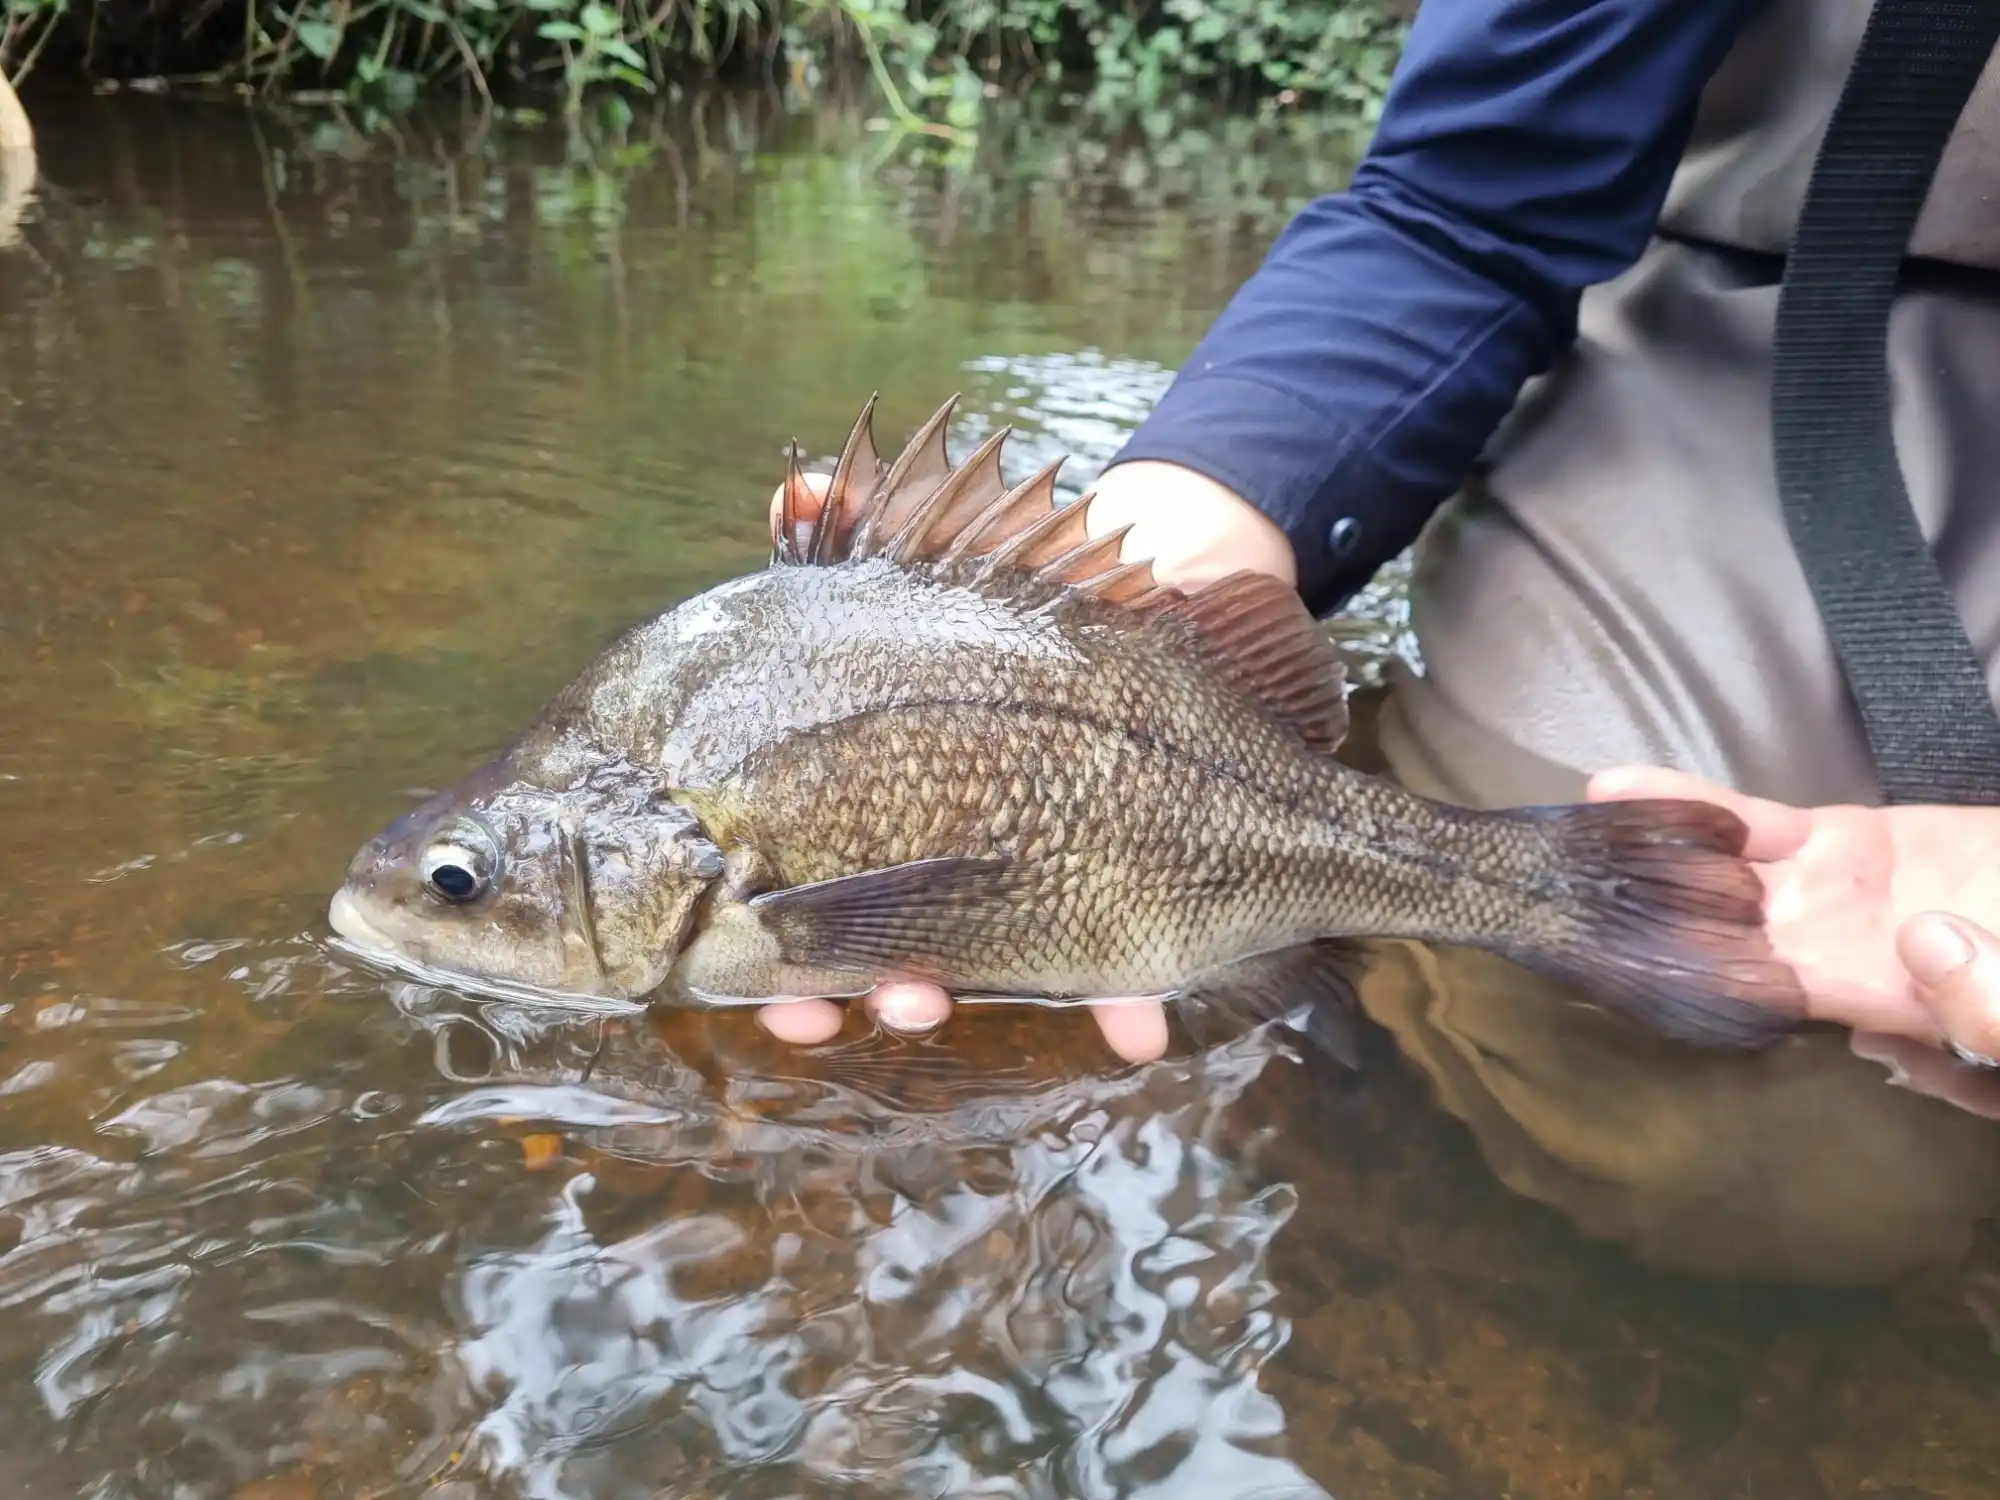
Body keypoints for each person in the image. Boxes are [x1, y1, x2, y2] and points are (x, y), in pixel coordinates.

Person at [767, 0, 2000, 1284]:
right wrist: (1188, 538)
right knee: (1788, 1156)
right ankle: (1380, 955)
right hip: (1769, 302)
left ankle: (1354, 954)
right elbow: (1468, 206)